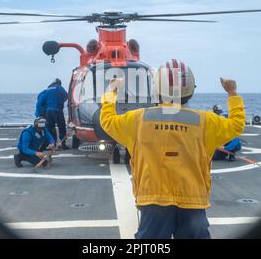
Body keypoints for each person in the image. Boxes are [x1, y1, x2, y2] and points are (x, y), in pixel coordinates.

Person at [100, 59, 246, 239]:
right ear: (191, 91)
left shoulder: (139, 119)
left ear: (158, 89)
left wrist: (111, 91)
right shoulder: (205, 121)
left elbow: (107, 121)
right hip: (193, 201)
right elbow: (237, 125)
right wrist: (232, 93)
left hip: (153, 200)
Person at [42, 78, 69, 149]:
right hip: (57, 110)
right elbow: (66, 96)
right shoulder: (59, 88)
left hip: (48, 111)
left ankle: (52, 144)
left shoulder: (47, 90)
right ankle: (63, 144)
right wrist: (61, 100)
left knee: (50, 128)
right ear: (59, 83)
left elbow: (43, 100)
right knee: (61, 127)